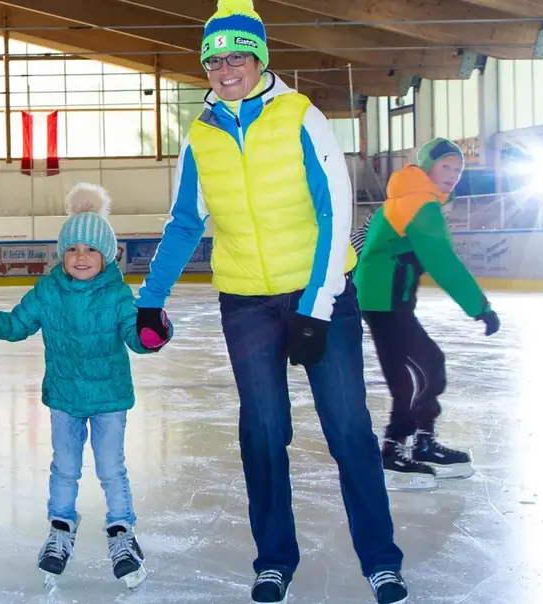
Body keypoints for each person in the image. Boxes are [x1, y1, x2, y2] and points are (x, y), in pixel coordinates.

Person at [131, 1, 409, 602]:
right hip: (247, 304)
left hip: (322, 294)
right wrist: (150, 300)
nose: (226, 67)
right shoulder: (201, 135)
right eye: (214, 58)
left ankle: (381, 559)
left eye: (237, 55)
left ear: (260, 58)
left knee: (348, 428)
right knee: (262, 432)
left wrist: (317, 304)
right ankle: (274, 559)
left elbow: (337, 214)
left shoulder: (300, 117)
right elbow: (184, 224)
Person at [0, 183, 159, 589]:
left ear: (106, 255)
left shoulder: (116, 293)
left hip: (109, 398)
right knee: (65, 468)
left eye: (90, 249)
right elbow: (16, 326)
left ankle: (122, 534)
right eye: (72, 248)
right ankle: (60, 528)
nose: (80, 257)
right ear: (62, 253)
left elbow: (134, 334)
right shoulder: (48, 291)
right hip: (64, 397)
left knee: (111, 468)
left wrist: (151, 335)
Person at [354, 137, 500, 491]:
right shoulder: (419, 203)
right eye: (445, 166)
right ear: (427, 166)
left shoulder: (409, 198)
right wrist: (480, 307)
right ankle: (395, 446)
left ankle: (420, 440)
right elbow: (443, 261)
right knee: (420, 370)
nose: (452, 175)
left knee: (425, 365)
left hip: (386, 299)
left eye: (458, 169)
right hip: (383, 300)